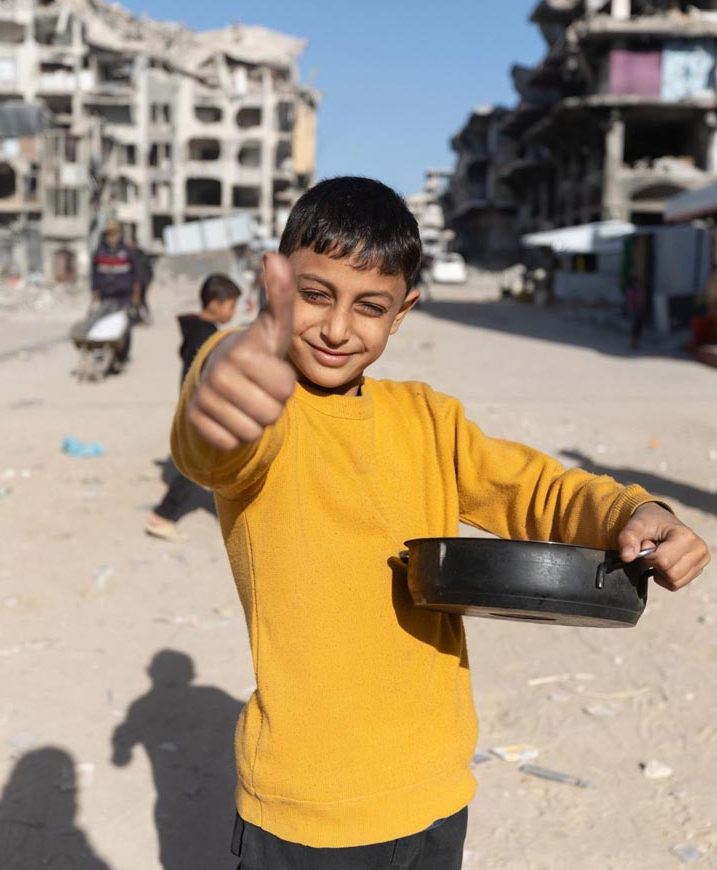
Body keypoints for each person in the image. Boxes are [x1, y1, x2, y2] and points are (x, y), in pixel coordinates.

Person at [170, 177, 709, 870]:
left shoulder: (428, 417)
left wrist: (636, 511)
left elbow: (538, 488)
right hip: (308, 806)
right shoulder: (272, 413)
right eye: (314, 295)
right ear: (274, 288)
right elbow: (216, 443)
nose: (338, 328)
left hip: (436, 786)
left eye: (370, 307)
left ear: (403, 312)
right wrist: (222, 374)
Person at [146, 273, 240, 541]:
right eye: (231, 306)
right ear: (215, 304)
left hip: (197, 409)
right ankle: (162, 515)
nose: (232, 312)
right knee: (197, 467)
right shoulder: (206, 338)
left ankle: (228, 507)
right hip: (202, 412)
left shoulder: (199, 331)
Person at [90, 220, 142, 372]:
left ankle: (121, 357)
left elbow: (137, 275)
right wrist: (93, 295)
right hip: (106, 296)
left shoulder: (127, 252)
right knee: (104, 327)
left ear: (119, 234)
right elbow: (94, 275)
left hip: (123, 296)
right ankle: (105, 356)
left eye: (114, 234)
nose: (111, 237)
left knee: (123, 329)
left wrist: (136, 296)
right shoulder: (99, 252)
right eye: (109, 234)